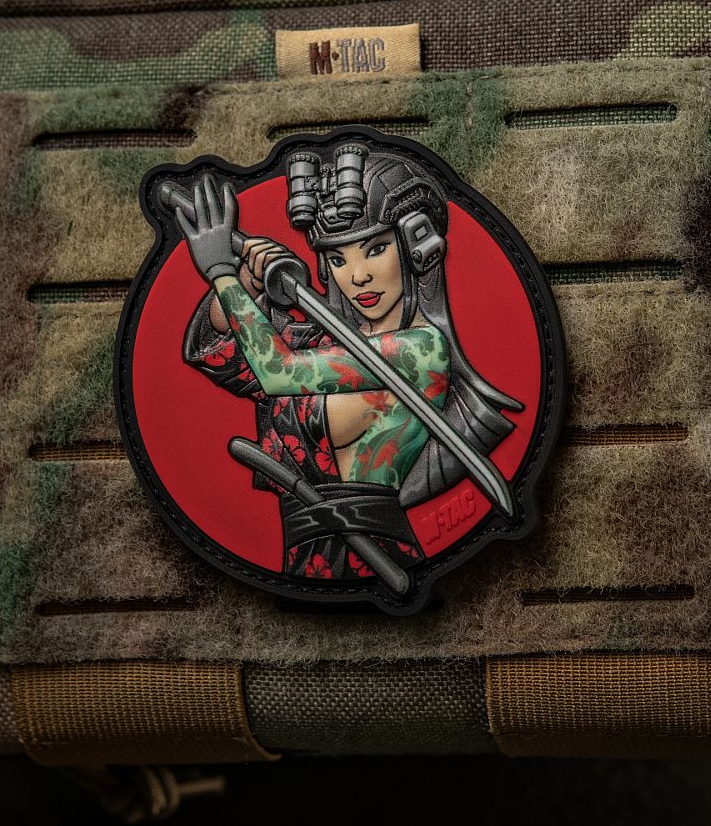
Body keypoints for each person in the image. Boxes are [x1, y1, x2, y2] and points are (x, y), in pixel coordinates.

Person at [177, 142, 522, 581]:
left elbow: (278, 371)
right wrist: (246, 281)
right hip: (304, 558)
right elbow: (228, 361)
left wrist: (221, 273)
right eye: (338, 258)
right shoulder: (327, 342)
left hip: (372, 554)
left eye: (376, 249)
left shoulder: (422, 350)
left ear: (418, 248)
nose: (358, 276)